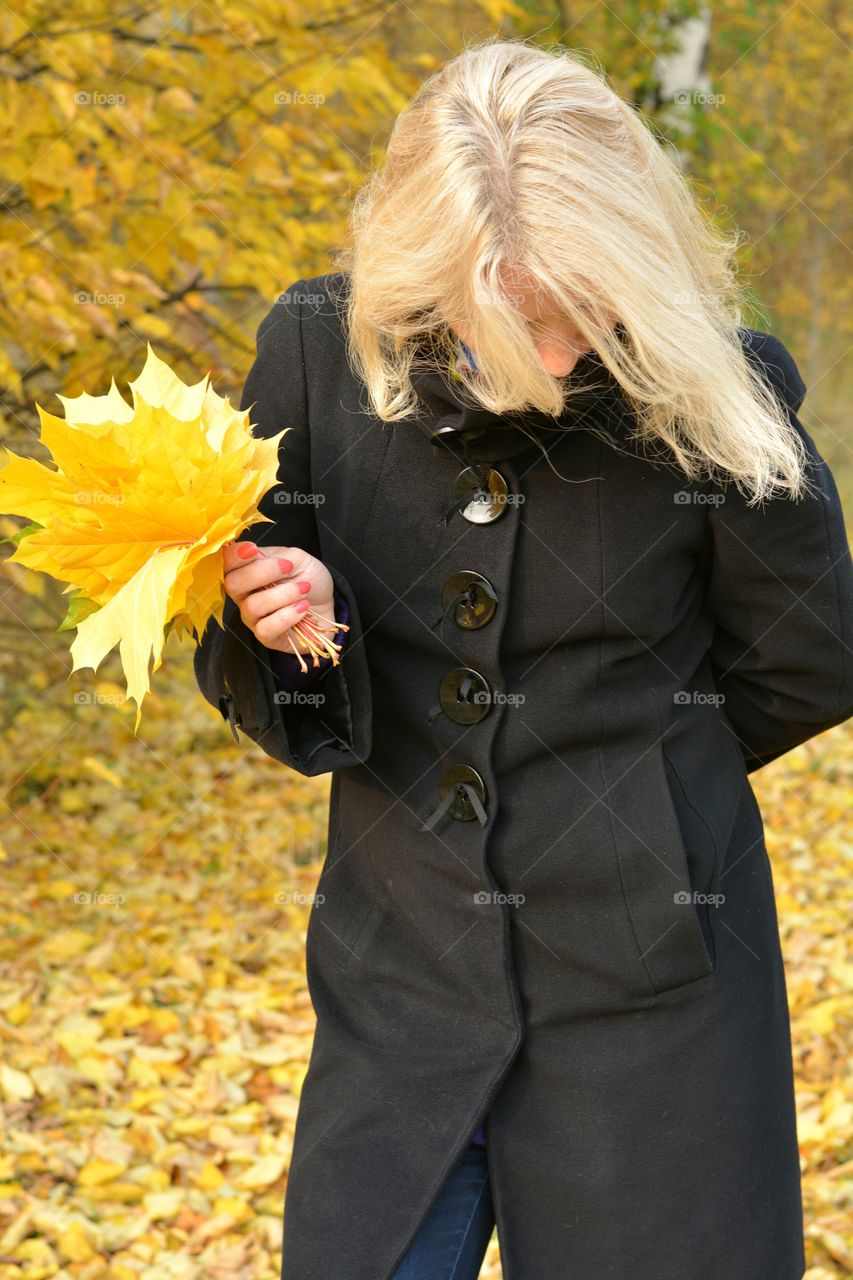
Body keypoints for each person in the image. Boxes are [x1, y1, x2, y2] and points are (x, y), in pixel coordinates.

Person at [194, 37, 853, 1280]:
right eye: (514, 313)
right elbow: (242, 643)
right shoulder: (315, 355)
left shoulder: (717, 386)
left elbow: (809, 653)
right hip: (399, 984)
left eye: (585, 308)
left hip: (658, 999)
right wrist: (292, 626)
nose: (556, 356)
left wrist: (651, 792)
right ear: (419, 271)